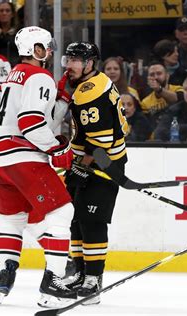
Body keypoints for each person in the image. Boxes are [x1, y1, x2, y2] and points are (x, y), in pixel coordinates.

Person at [0, 26, 76, 307]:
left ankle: (5, 275)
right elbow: (31, 123)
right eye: (46, 47)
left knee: (13, 217)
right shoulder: (40, 76)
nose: (49, 51)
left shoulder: (15, 74)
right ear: (35, 49)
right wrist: (57, 148)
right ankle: (54, 282)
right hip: (20, 154)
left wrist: (58, 103)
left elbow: (28, 116)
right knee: (62, 211)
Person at [62, 41, 128, 305]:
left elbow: (99, 141)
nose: (69, 65)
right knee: (76, 219)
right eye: (68, 59)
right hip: (89, 160)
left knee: (92, 220)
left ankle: (93, 279)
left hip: (102, 162)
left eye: (76, 60)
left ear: (90, 64)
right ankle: (78, 273)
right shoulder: (89, 84)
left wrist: (82, 165)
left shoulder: (91, 91)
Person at [140, 61, 184, 130]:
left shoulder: (178, 89)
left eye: (159, 73)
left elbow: (177, 99)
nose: (156, 77)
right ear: (148, 79)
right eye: (152, 75)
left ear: (167, 76)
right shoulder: (145, 102)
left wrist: (159, 89)